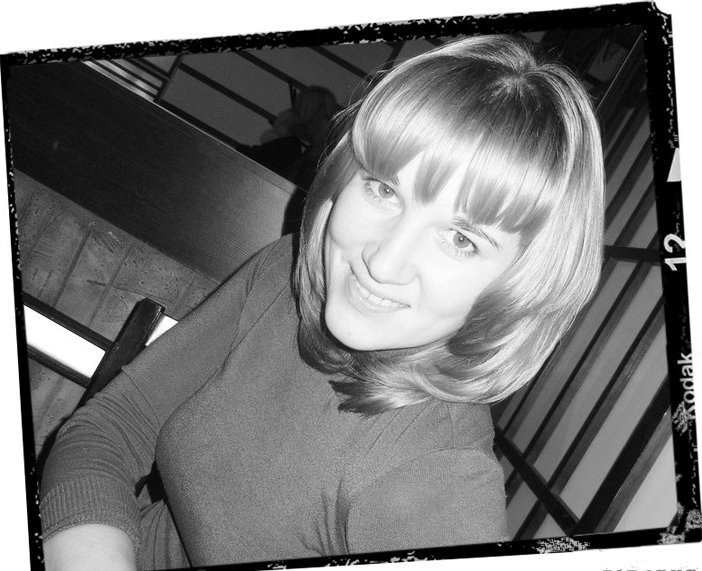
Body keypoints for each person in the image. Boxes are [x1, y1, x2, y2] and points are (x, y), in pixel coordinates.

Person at [40, 34, 604, 571]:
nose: (383, 263)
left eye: (461, 239)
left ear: (521, 283)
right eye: (384, 189)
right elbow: (110, 431)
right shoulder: (283, 277)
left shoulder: (437, 486)